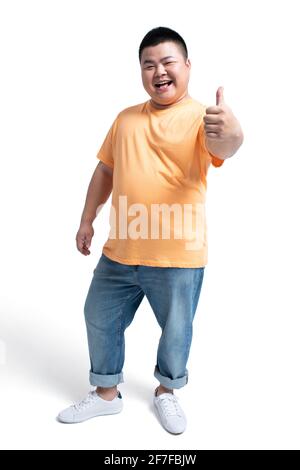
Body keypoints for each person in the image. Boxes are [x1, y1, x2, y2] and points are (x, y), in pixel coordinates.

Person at [57, 26, 243, 434]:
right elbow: (106, 169)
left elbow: (225, 147)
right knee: (98, 315)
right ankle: (106, 394)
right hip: (120, 250)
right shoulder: (124, 119)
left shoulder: (200, 118)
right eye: (149, 64)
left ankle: (166, 392)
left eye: (168, 62)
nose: (158, 71)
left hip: (178, 255)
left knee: (177, 330)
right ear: (141, 71)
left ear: (187, 66)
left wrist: (231, 131)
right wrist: (87, 219)